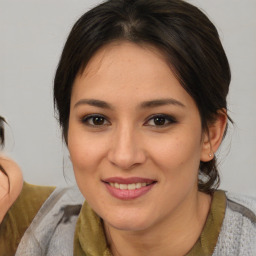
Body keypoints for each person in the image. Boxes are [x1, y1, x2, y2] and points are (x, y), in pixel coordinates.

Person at [1, 0, 256, 255]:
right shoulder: (24, 225)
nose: (124, 156)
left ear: (210, 134)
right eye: (97, 120)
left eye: (159, 120)